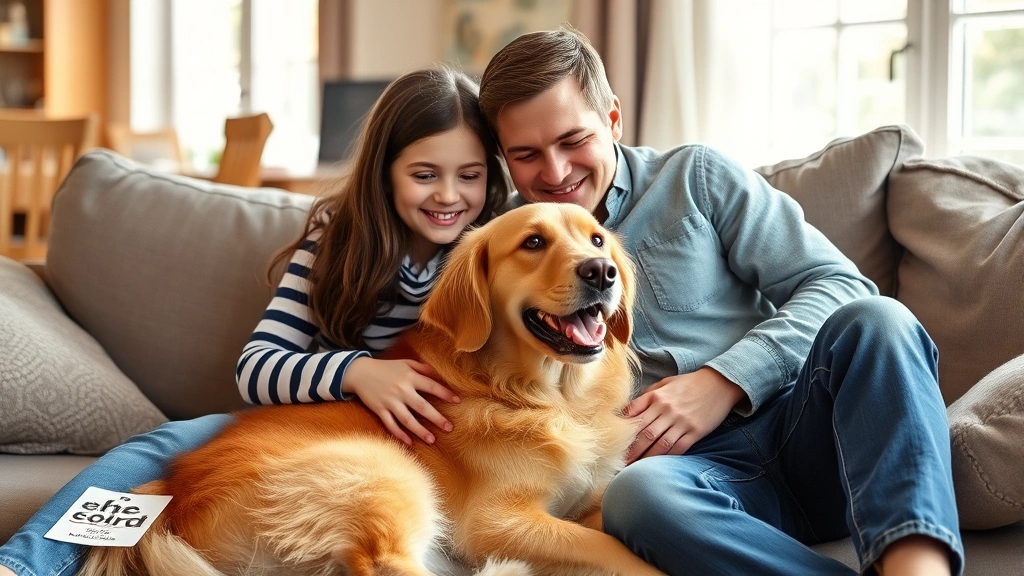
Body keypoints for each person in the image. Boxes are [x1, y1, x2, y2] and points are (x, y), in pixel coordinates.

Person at [476, 28, 962, 576]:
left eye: (572, 140)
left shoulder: (695, 178)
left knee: (879, 320)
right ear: (502, 159)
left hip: (807, 430)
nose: (556, 172)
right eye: (526, 155)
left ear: (612, 118)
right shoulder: (500, 250)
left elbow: (839, 284)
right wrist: (355, 369)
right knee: (635, 496)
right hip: (692, 483)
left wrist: (723, 380)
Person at [0, 66, 510, 576]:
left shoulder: (499, 248)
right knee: (163, 449)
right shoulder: (337, 241)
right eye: (424, 175)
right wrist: (358, 372)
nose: (448, 195)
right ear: (384, 172)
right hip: (307, 425)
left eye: (469, 175)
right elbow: (258, 366)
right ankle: (25, 565)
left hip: (430, 447)